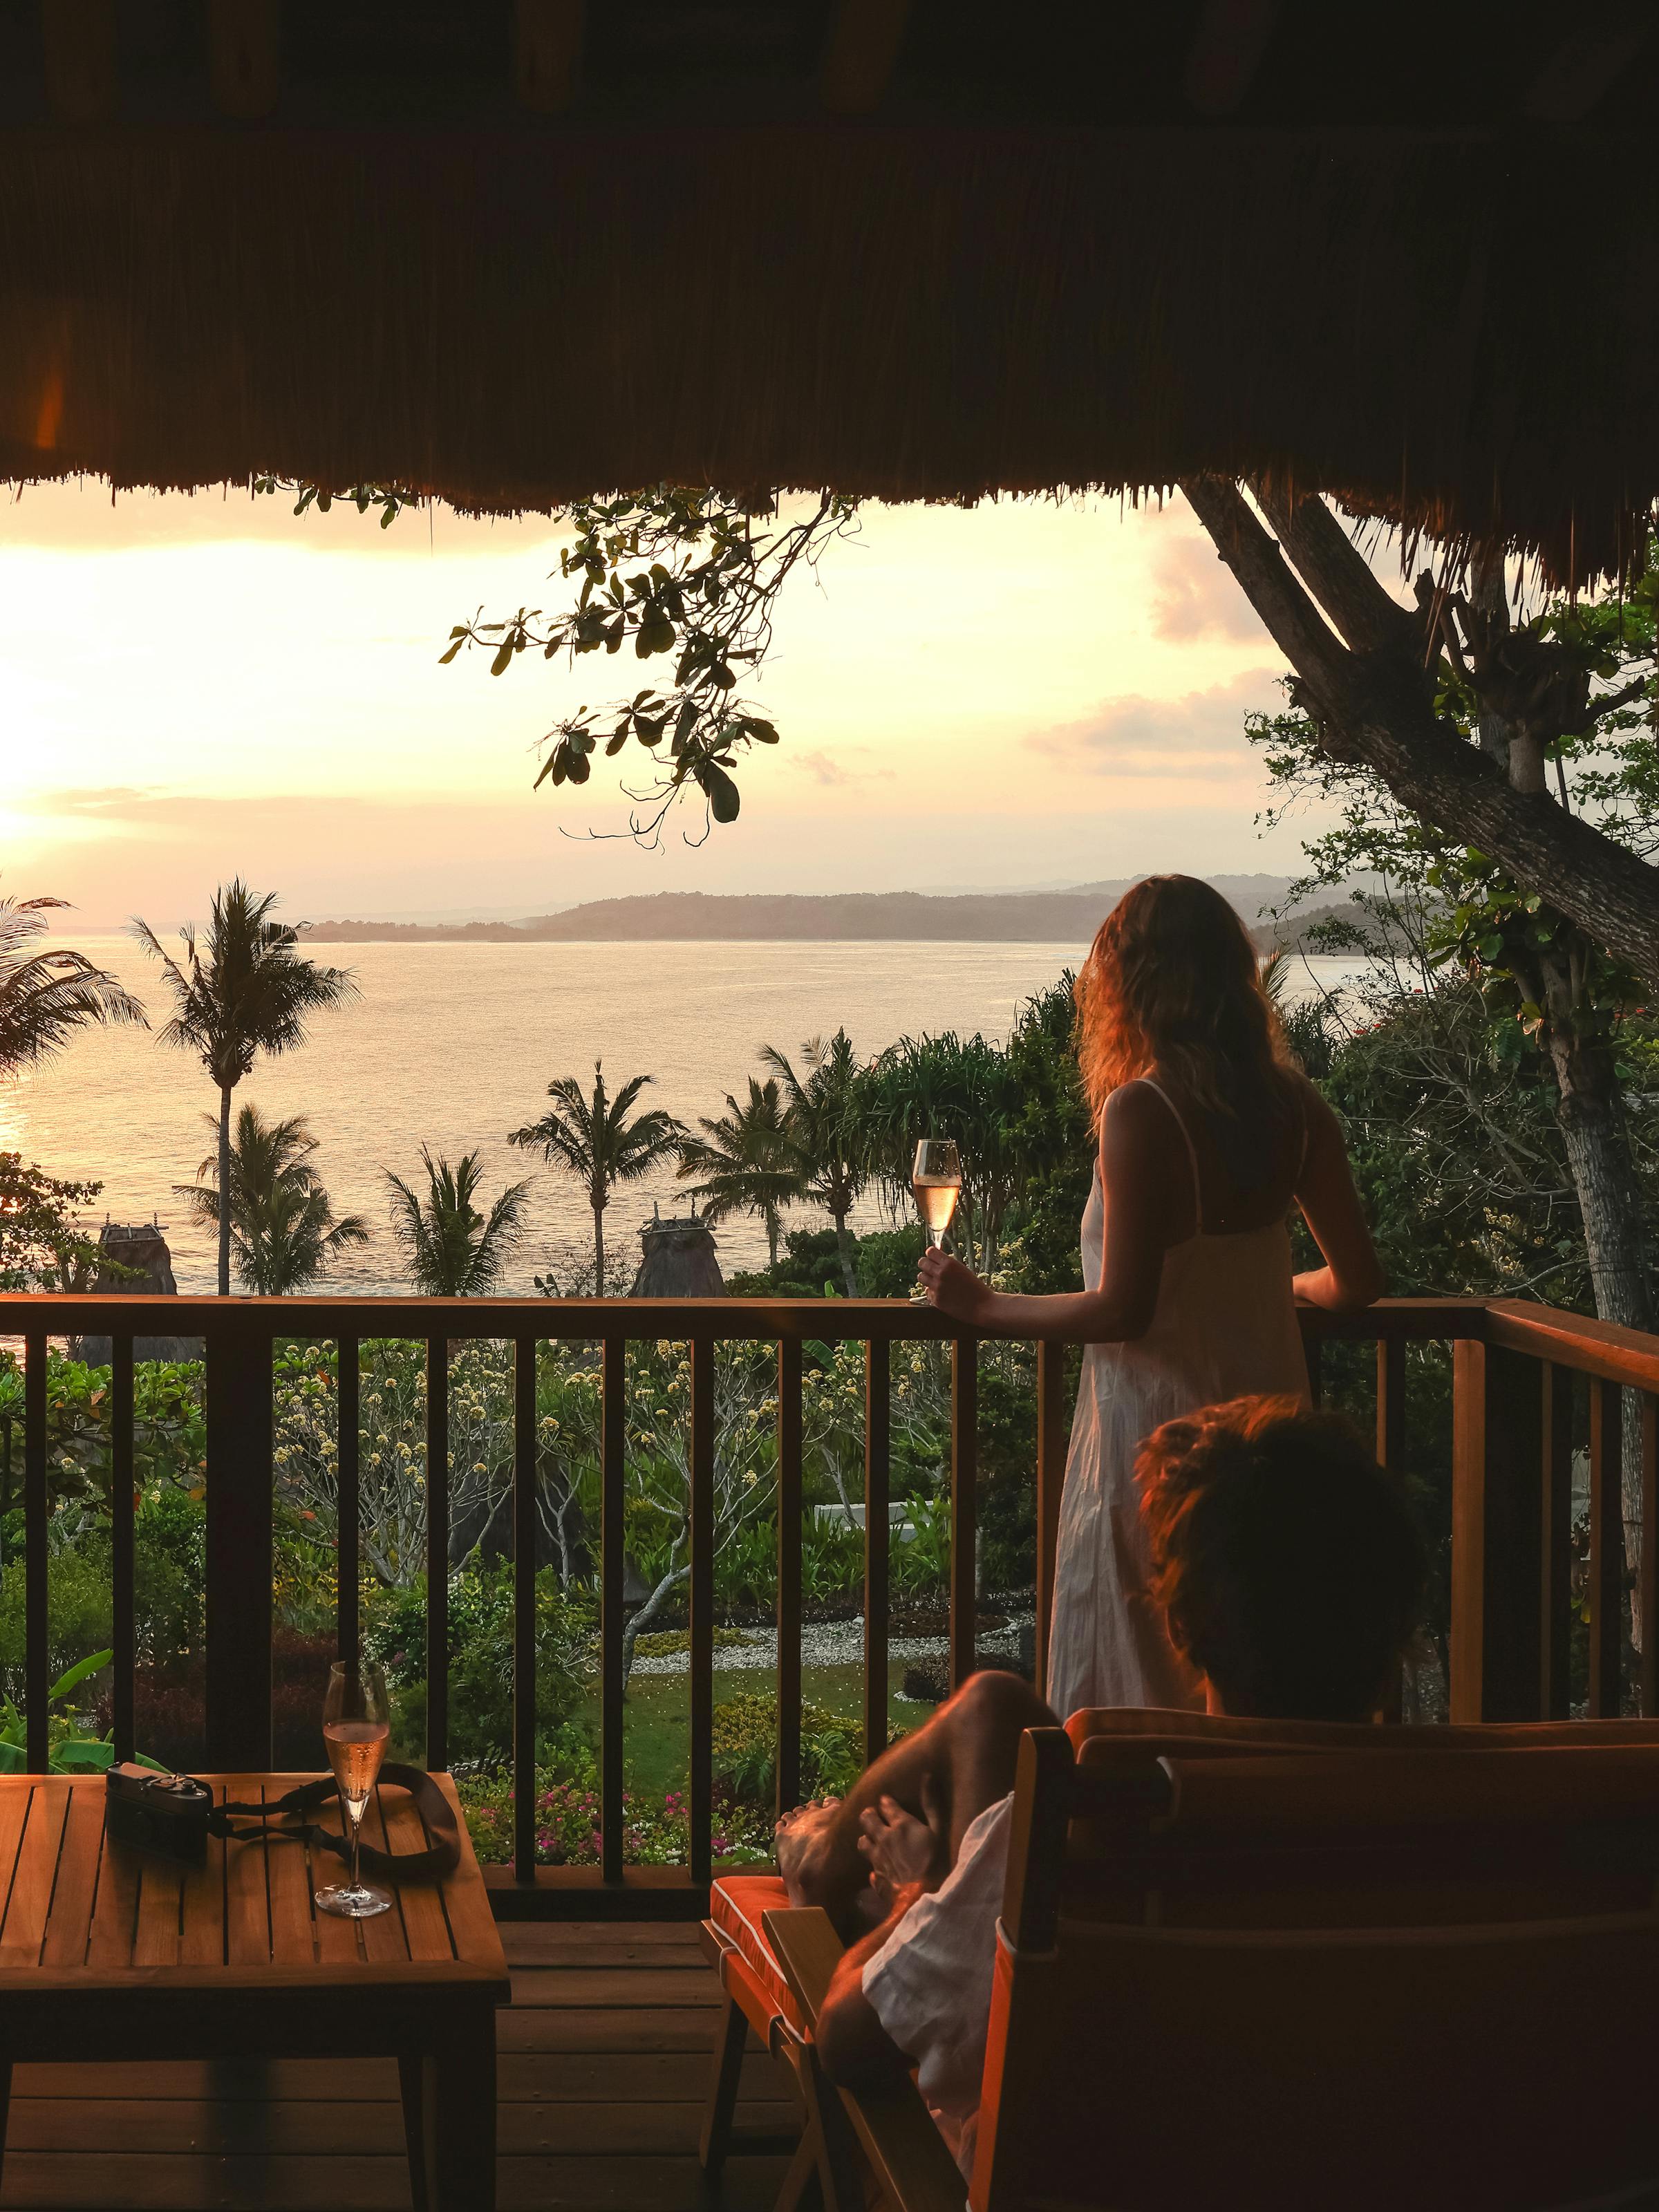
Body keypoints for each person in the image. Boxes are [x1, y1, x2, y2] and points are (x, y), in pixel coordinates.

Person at [800, 1396, 1425, 2177]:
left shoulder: (1072, 1835)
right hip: (1358, 2172)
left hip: (1086, 2177)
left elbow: (844, 2038)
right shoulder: (1459, 1829)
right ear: (1396, 1621)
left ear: (1181, 1625)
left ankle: (816, 1849)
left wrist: (923, 1892)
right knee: (997, 1709)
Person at [919, 873, 1385, 1717]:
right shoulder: (1298, 1107)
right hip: (1272, 1449)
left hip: (1159, 1442)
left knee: (1137, 1676)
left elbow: (1122, 1309)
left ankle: (1115, 1843)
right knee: (1253, 1669)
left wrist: (982, 1306)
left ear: (1137, 982)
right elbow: (1358, 1281)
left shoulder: (1146, 1109)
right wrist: (1264, 1290)